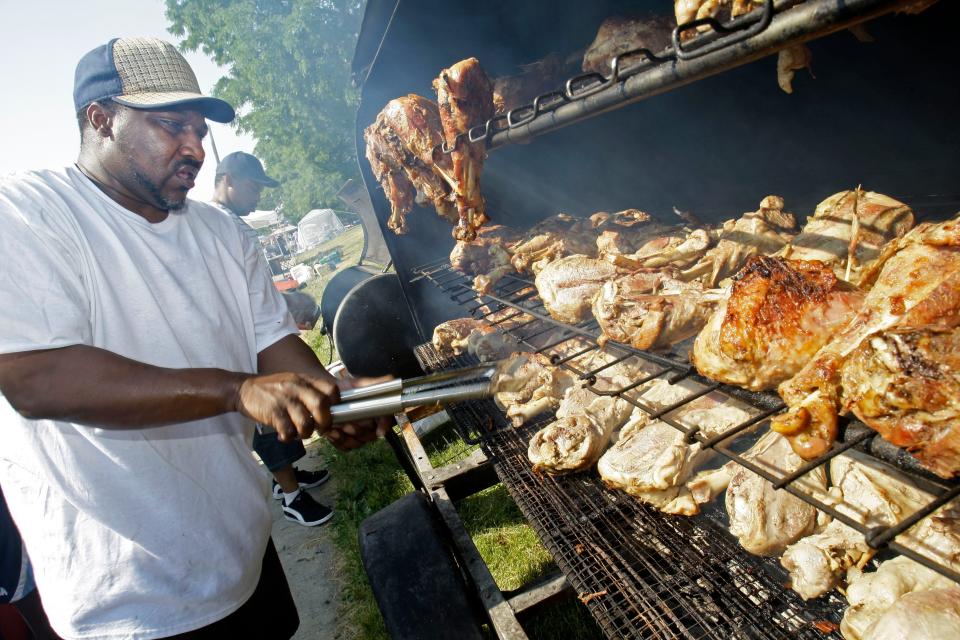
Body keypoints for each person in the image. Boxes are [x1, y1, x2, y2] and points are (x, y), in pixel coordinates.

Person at [0, 36, 389, 640]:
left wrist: (332, 403)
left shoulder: (223, 234)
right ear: (99, 120)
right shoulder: (28, 214)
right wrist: (238, 391)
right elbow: (37, 379)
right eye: (171, 125)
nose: (195, 147)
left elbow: (274, 345)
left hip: (242, 553)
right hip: (131, 603)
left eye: (200, 129)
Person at [211, 153, 332, 527]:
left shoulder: (231, 222)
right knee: (269, 420)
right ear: (228, 180)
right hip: (241, 348)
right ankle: (292, 497)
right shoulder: (215, 225)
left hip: (255, 337)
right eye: (253, 187)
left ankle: (291, 478)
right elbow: (234, 299)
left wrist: (287, 302)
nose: (258, 196)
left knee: (284, 407)